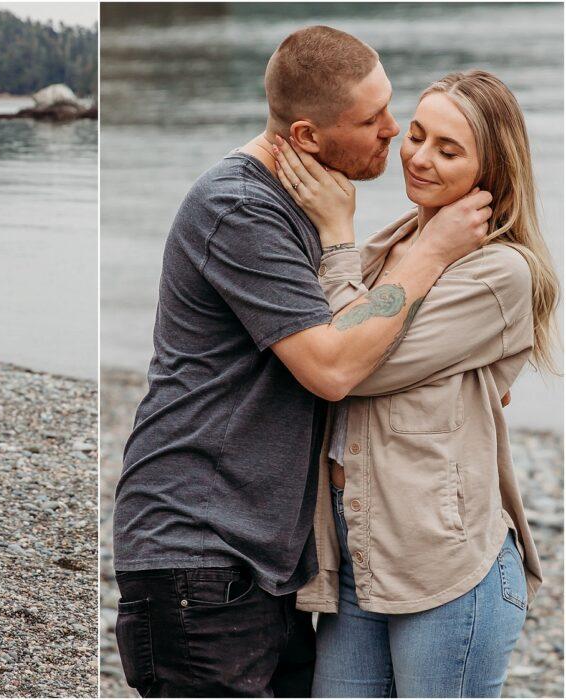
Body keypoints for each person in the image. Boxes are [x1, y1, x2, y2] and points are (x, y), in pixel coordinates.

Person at [112, 26, 494, 697]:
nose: (392, 130)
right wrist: (430, 254)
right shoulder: (239, 207)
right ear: (308, 138)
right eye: (371, 119)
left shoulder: (300, 204)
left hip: (260, 567)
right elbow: (331, 367)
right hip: (198, 554)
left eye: (389, 106)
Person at [274, 70, 557, 697]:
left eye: (449, 150)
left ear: (493, 169)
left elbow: (344, 366)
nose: (419, 158)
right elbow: (330, 344)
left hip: (445, 570)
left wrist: (337, 235)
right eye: (418, 136)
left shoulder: (499, 273)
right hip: (358, 562)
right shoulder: (395, 246)